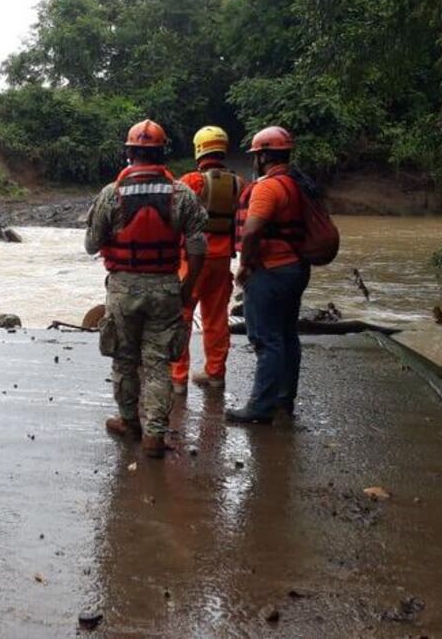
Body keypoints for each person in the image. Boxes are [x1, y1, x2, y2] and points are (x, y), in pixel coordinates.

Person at [85, 119, 208, 458]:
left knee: (125, 360)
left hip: (124, 290)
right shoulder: (181, 194)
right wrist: (188, 289)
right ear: (161, 154)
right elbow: (199, 248)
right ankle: (154, 435)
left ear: (129, 153)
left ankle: (129, 422)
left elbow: (91, 244)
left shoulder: (111, 194)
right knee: (157, 363)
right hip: (166, 288)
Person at [230, 125, 310, 423]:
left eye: (256, 155)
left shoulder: (267, 187)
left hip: (271, 271)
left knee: (267, 339)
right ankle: (283, 401)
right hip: (296, 268)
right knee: (288, 335)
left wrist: (245, 265)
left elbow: (251, 231)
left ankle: (260, 408)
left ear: (263, 156)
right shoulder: (298, 183)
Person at [170, 126, 243, 395]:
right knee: (216, 318)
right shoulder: (238, 183)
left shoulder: (191, 181)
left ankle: (178, 377)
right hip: (222, 261)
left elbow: (174, 217)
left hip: (193, 260)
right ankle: (215, 374)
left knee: (183, 317)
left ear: (199, 148)